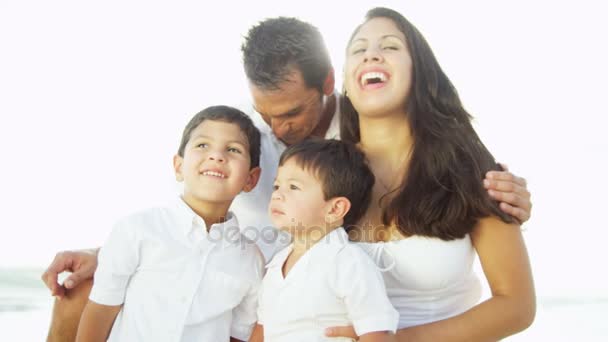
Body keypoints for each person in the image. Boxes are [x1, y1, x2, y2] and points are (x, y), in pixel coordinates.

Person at [41, 16, 533, 341]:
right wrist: (108, 256)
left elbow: (515, 302)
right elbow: (196, 220)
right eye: (266, 114)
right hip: (283, 314)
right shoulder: (249, 145)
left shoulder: (439, 161)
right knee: (79, 295)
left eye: (293, 112)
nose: (280, 130)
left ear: (328, 87)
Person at [322, 7, 535, 341]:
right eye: (358, 50)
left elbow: (516, 305)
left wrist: (400, 340)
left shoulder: (468, 166)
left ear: (418, 72)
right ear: (347, 83)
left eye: (390, 46)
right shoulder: (322, 170)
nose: (371, 55)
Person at [76, 106, 264, 342]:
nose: (217, 156)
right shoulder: (137, 229)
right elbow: (101, 310)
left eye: (233, 149)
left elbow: (238, 334)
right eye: (202, 145)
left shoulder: (250, 259)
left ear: (251, 179)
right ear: (178, 167)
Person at [251, 139, 398, 342]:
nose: (277, 195)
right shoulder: (276, 263)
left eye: (293, 187)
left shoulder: (348, 262)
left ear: (334, 209)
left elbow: (377, 333)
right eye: (277, 186)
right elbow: (262, 330)